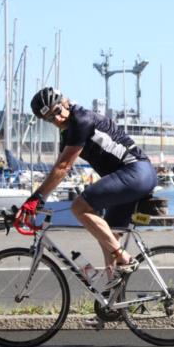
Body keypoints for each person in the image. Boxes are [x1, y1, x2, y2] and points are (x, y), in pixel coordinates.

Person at [16, 87, 158, 292]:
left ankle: (125, 258)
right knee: (107, 237)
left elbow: (63, 167)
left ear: (65, 102)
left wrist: (36, 198)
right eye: (50, 119)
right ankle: (112, 299)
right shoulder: (68, 131)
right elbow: (60, 170)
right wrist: (40, 198)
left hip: (136, 171)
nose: (57, 119)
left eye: (57, 111)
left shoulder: (81, 120)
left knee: (79, 207)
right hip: (133, 175)